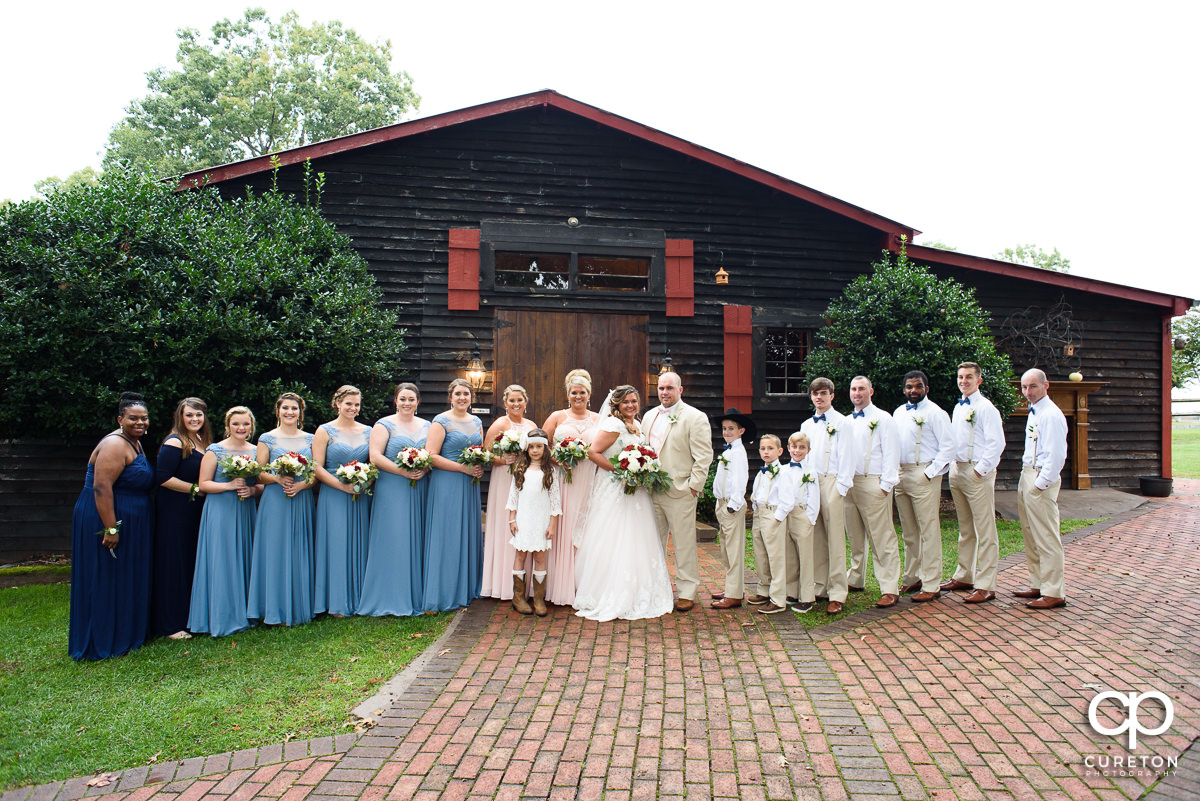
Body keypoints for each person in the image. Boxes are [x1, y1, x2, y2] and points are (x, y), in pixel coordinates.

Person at [574, 386, 674, 621]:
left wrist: (641, 469)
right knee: (614, 535)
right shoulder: (614, 425)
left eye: (634, 401)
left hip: (635, 490)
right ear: (616, 405)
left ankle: (638, 589)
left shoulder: (637, 425)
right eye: (626, 402)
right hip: (614, 488)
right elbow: (593, 452)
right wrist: (619, 470)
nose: (630, 405)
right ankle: (611, 591)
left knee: (637, 536)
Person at [69, 392, 155, 661]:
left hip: (128, 517)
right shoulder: (115, 445)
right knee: (105, 575)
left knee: (121, 576)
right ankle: (103, 638)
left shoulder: (135, 443)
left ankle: (124, 633)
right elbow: (101, 487)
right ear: (120, 419)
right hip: (106, 516)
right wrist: (111, 528)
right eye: (133, 418)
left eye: (144, 418)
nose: (140, 422)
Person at [642, 372, 713, 612]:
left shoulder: (695, 417)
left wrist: (694, 486)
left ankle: (687, 591)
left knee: (683, 544)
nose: (664, 392)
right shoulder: (649, 416)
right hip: (651, 490)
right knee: (652, 542)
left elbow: (704, 456)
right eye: (661, 388)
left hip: (681, 490)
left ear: (680, 390)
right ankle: (656, 588)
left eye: (670, 388)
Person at [358, 383, 431, 617]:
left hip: (419, 486)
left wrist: (424, 468)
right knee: (393, 536)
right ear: (395, 401)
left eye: (411, 399)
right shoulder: (383, 425)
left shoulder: (427, 426)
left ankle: (415, 593)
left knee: (416, 535)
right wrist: (402, 472)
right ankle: (388, 594)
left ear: (418, 402)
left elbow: (431, 455)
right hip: (392, 486)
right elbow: (375, 456)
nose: (407, 403)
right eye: (402, 399)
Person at [188, 406, 260, 638]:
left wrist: (251, 490)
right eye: (236, 424)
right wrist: (230, 485)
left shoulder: (257, 451)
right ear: (227, 425)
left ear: (252, 426)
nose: (241, 428)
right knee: (223, 559)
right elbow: (204, 484)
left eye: (246, 424)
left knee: (245, 557)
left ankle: (247, 612)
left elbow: (262, 484)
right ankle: (222, 616)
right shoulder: (215, 451)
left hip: (245, 509)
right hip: (220, 510)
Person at [249, 392, 316, 625]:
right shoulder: (267, 438)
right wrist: (277, 479)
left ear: (300, 412)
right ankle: (273, 608)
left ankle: (300, 607)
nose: (290, 412)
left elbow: (315, 474)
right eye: (285, 408)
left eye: (294, 409)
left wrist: (300, 486)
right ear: (278, 411)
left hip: (301, 498)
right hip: (275, 500)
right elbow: (258, 472)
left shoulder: (310, 438)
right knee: (275, 550)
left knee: (300, 548)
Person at [941, 362, 1006, 604]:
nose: (963, 381)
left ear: (979, 380)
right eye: (960, 377)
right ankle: (964, 575)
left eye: (969, 377)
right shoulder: (959, 408)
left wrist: (980, 471)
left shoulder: (986, 408)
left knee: (985, 529)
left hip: (977, 471)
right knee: (965, 528)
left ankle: (986, 584)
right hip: (958, 471)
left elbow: (996, 443)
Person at [151, 397, 212, 640]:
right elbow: (163, 477)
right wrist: (197, 490)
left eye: (199, 415)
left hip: (194, 511)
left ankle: (189, 617)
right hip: (174, 511)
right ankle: (170, 625)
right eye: (189, 415)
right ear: (181, 417)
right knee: (173, 563)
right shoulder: (175, 442)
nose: (195, 419)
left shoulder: (201, 441)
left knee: (189, 562)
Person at [423, 379, 485, 612]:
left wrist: (479, 464)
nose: (462, 398)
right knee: (447, 532)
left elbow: (480, 451)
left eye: (466, 394)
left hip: (469, 483)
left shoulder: (477, 421)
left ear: (471, 397)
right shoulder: (441, 421)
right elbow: (431, 456)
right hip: (447, 482)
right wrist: (462, 468)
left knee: (466, 531)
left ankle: (466, 588)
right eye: (458, 393)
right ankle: (443, 593)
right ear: (450, 396)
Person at [892, 371, 954, 603]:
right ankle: (912, 577)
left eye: (918, 386)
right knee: (909, 531)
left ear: (926, 388)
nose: (913, 390)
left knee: (928, 529)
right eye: (909, 387)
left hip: (924, 472)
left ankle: (931, 582)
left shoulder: (936, 413)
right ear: (904, 389)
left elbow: (948, 447)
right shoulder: (899, 412)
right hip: (902, 473)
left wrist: (929, 473)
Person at [312, 385, 373, 617]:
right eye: (348, 403)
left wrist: (363, 484)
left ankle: (359, 596)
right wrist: (341, 486)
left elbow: (373, 462)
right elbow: (316, 466)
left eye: (357, 404)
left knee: (360, 541)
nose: (353, 408)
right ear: (337, 403)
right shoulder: (324, 431)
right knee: (336, 543)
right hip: (333, 493)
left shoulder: (368, 430)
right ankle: (336, 600)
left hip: (359, 493)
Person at [541, 368, 600, 607]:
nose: (578, 396)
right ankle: (559, 584)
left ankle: (583, 583)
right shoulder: (557, 417)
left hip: (588, 479)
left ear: (589, 394)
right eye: (574, 392)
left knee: (587, 528)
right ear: (568, 394)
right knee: (562, 527)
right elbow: (541, 445)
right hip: (563, 479)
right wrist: (557, 459)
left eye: (582, 392)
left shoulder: (598, 419)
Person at [799, 378, 856, 615]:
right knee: (816, 537)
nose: (818, 398)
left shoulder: (842, 422)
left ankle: (838, 592)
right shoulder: (806, 425)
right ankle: (819, 586)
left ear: (832, 395)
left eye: (823, 393)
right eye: (814, 394)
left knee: (835, 539)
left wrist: (841, 487)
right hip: (812, 483)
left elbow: (848, 456)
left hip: (833, 481)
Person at [844, 376, 902, 608]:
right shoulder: (846, 421)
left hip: (873, 482)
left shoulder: (883, 419)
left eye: (862, 389)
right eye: (854, 389)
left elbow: (891, 452)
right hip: (849, 483)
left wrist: (886, 484)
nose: (857, 393)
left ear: (871, 391)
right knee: (855, 535)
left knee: (881, 536)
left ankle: (889, 587)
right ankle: (856, 577)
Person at [1016, 368, 1069, 610]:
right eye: (1024, 387)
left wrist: (1040, 484)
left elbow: (1056, 455)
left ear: (1046, 385)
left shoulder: (1051, 414)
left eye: (1033, 386)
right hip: (1027, 473)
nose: (1028, 392)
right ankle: (1038, 583)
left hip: (1040, 478)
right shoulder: (1035, 412)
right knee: (1030, 532)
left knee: (1046, 536)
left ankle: (1054, 591)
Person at [481, 385, 537, 600]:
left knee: (524, 522)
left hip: (526, 480)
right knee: (507, 523)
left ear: (525, 402)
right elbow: (486, 453)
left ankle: (524, 582)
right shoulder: (500, 424)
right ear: (505, 403)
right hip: (505, 478)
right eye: (512, 400)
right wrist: (503, 460)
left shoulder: (531, 425)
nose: (516, 404)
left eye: (519, 400)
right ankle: (503, 583)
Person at [505, 429, 562, 616]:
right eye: (532, 447)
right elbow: (513, 496)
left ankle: (538, 599)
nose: (535, 450)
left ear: (545, 449)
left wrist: (552, 524)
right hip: (523, 519)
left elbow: (555, 500)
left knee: (539, 557)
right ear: (526, 449)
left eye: (539, 446)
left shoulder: (550, 471)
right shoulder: (520, 470)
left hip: (541, 519)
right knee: (520, 555)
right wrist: (512, 519)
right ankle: (518, 597)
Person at [710, 408, 754, 609]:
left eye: (731, 429)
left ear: (741, 431)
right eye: (725, 428)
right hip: (722, 503)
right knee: (726, 550)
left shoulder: (738, 452)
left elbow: (740, 479)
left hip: (731, 505)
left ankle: (735, 594)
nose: (727, 432)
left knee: (734, 551)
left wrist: (733, 505)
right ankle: (730, 588)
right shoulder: (728, 449)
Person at [778, 432, 821, 613]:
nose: (797, 450)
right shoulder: (784, 470)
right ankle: (792, 591)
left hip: (802, 513)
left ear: (808, 450)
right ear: (788, 449)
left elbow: (815, 497)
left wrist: (810, 518)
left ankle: (807, 597)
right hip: (786, 514)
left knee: (805, 556)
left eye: (802, 447)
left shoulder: (810, 472)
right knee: (790, 555)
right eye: (794, 447)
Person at [747, 434, 788, 614]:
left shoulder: (783, 473)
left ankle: (778, 598)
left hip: (773, 514)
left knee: (775, 557)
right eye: (763, 448)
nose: (766, 452)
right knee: (760, 554)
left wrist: (777, 517)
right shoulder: (761, 472)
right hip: (759, 513)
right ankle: (764, 589)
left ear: (779, 451)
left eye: (770, 448)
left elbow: (787, 498)